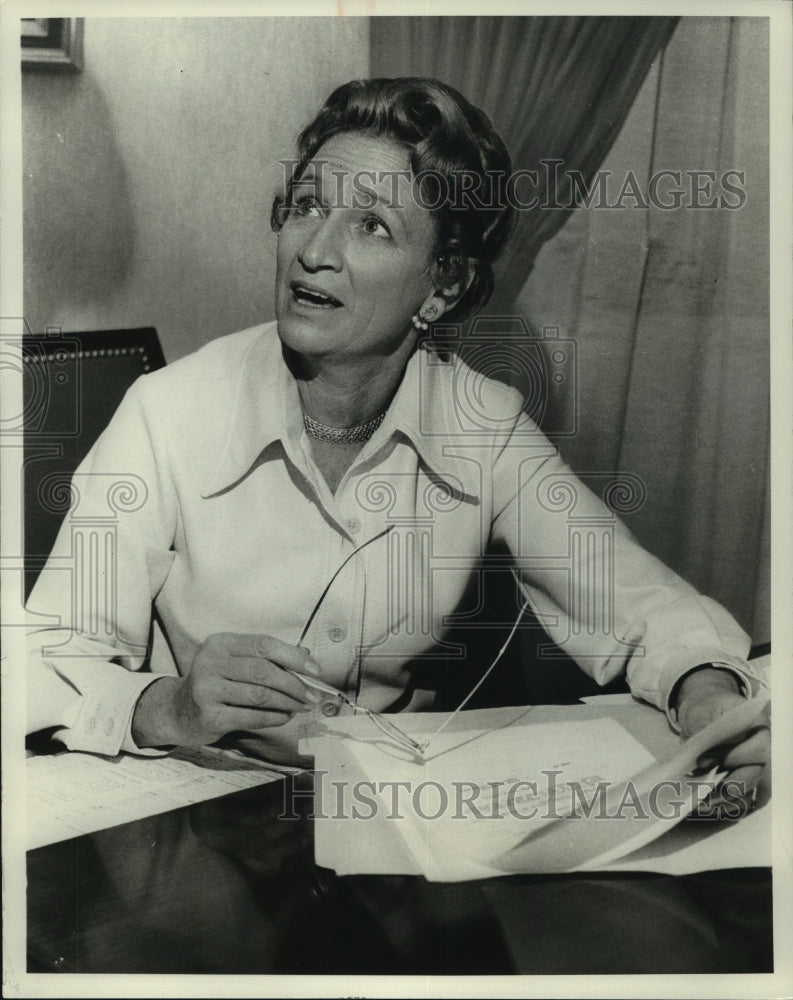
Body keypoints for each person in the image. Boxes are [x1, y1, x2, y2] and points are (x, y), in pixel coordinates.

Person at [26, 78, 768, 797]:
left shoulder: (486, 426)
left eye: (371, 225)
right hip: (201, 828)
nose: (314, 250)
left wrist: (702, 687)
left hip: (404, 832)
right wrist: (169, 706)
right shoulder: (167, 411)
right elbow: (38, 661)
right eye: (307, 206)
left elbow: (641, 606)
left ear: (441, 286)